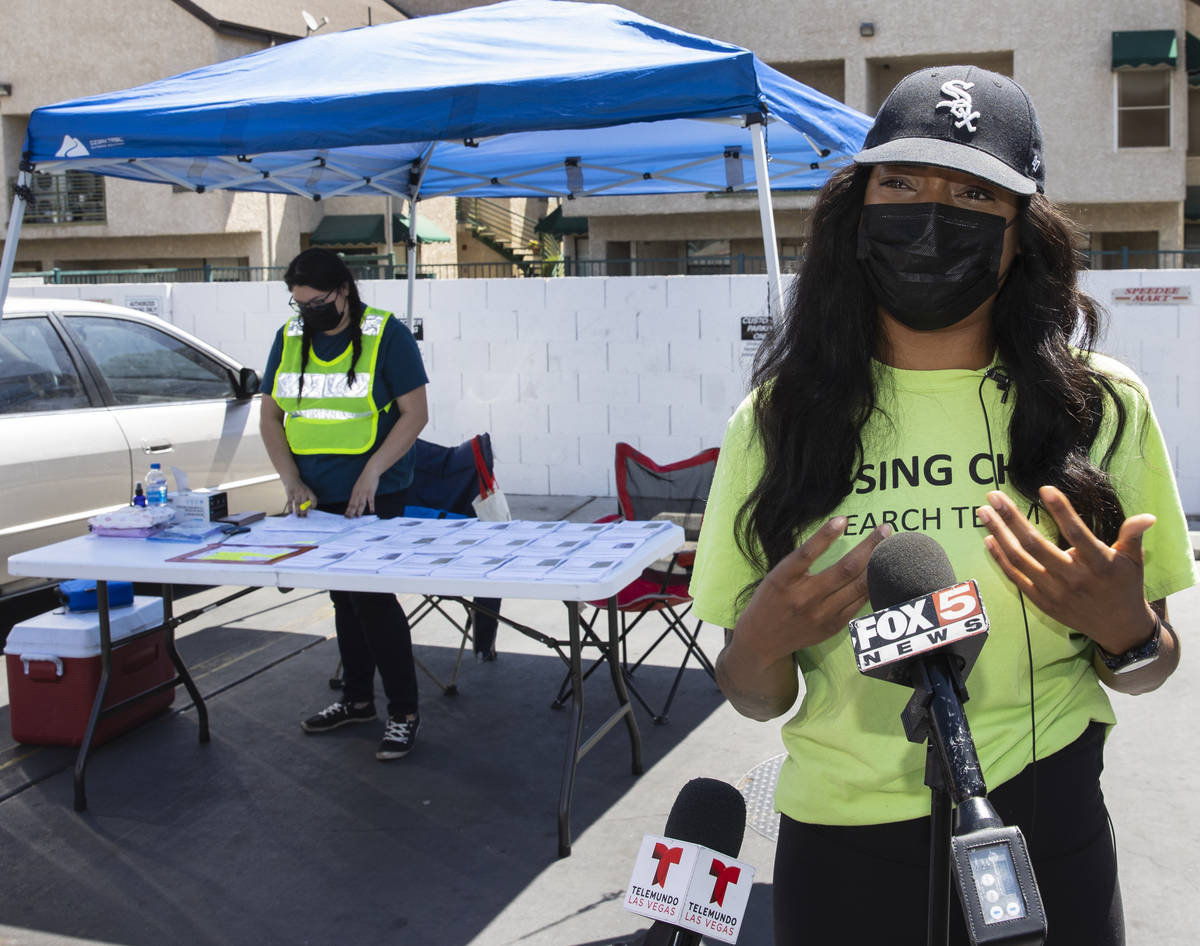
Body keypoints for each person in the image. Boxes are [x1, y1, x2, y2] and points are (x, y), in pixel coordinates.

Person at [690, 65, 1194, 945]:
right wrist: (763, 642)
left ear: (1017, 237)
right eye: (902, 182)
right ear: (856, 213)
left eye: (972, 192)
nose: (931, 214)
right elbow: (751, 695)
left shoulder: (1103, 407)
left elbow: (1148, 668)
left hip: (1052, 821)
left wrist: (1130, 633)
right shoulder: (777, 422)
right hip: (844, 849)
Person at [260, 247, 429, 761]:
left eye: (315, 301)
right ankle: (357, 699)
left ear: (343, 291)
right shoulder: (290, 338)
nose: (306, 311)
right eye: (298, 303)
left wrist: (372, 472)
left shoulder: (387, 334)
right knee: (342, 599)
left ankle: (403, 711)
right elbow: (270, 418)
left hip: (376, 492)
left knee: (372, 599)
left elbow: (415, 414)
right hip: (317, 496)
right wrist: (291, 481)